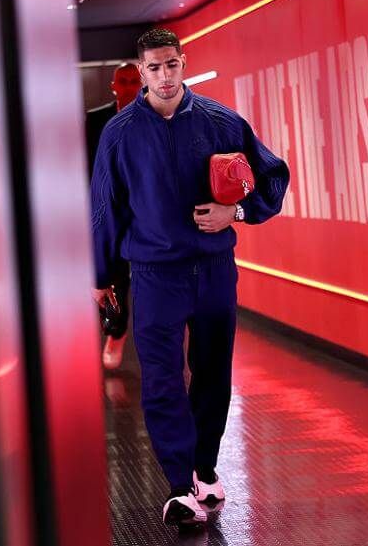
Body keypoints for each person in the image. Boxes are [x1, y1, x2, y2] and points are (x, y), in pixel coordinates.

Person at [90, 28, 289, 528]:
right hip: (154, 274)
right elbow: (104, 210)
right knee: (161, 381)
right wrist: (102, 276)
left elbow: (273, 175)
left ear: (184, 63)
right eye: (153, 68)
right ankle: (180, 487)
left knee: (213, 374)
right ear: (141, 72)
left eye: (170, 65)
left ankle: (204, 468)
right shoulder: (119, 134)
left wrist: (237, 212)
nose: (163, 76)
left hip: (214, 269)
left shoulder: (221, 121)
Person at [85, 63, 141, 370]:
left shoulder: (155, 116)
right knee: (112, 276)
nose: (130, 86)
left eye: (135, 81)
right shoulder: (94, 120)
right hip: (108, 210)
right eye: (124, 81)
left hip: (145, 210)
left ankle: (123, 331)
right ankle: (115, 330)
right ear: (113, 85)